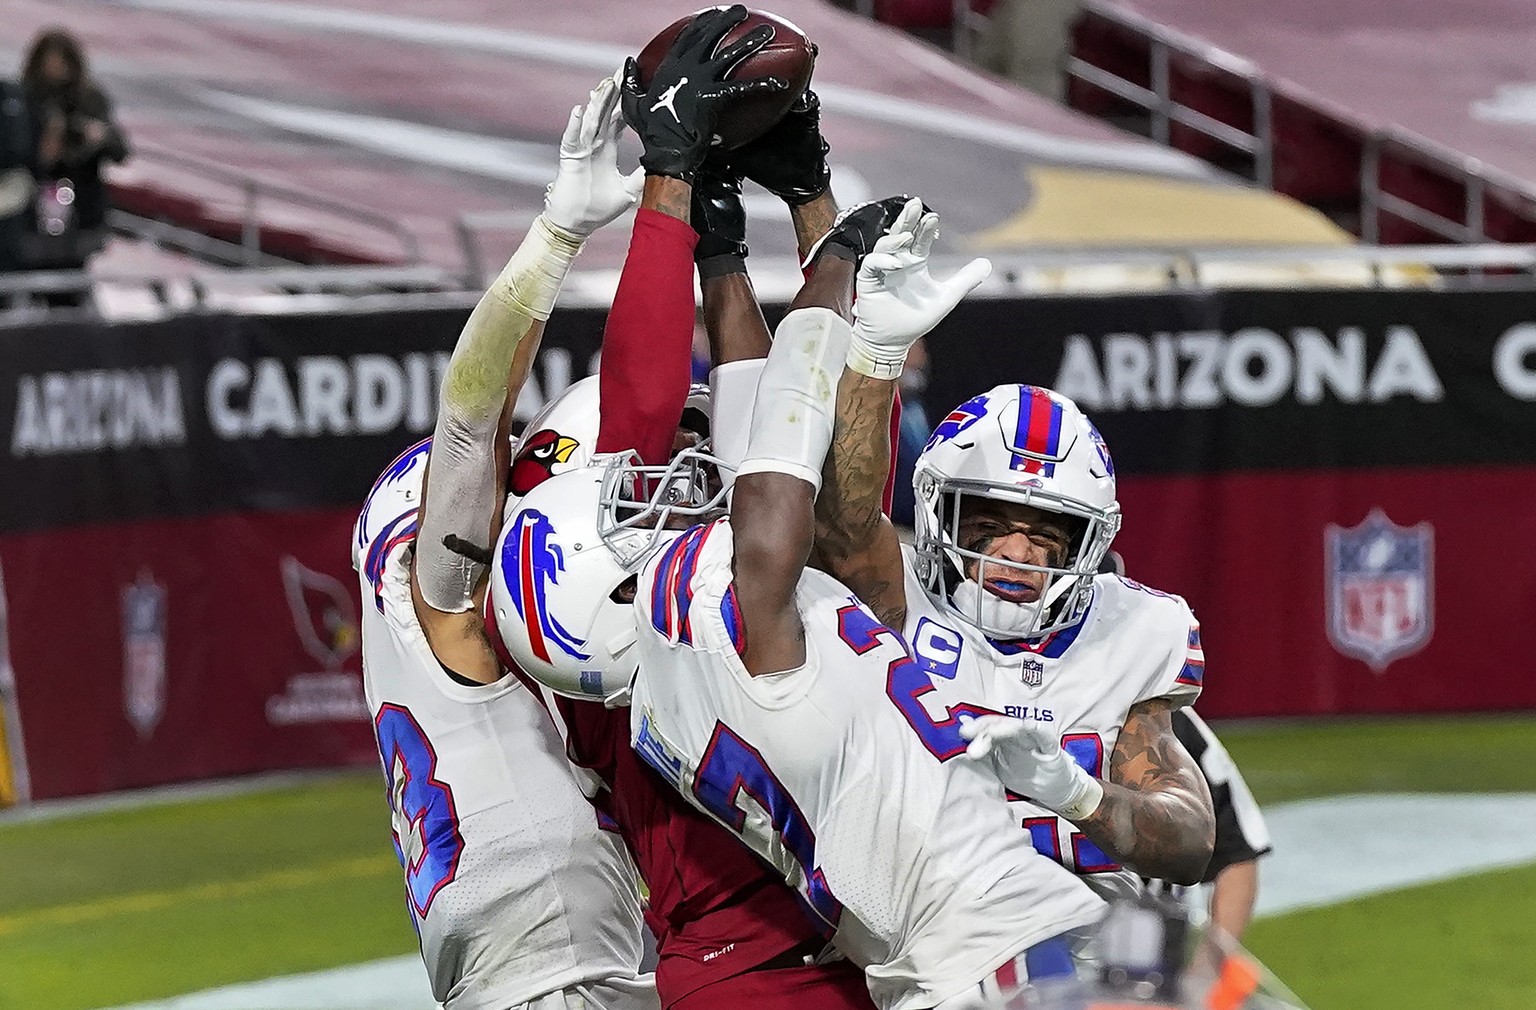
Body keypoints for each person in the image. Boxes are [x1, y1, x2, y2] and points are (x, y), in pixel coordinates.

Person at [492, 197, 1108, 1010]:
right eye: (633, 500)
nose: (677, 480)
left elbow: (763, 450)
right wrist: (829, 281)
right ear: (605, 576)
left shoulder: (673, 675)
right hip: (984, 951)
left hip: (930, 957)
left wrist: (720, 252)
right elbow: (781, 453)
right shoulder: (714, 618)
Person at [352, 75, 659, 1010]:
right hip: (557, 980)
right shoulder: (448, 608)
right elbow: (469, 421)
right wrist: (556, 236)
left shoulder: (445, 656)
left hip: (530, 968)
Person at [811, 331, 1217, 894]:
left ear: (1088, 544)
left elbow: (1191, 843)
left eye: (1048, 533)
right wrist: (877, 352)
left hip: (1080, 952)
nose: (1017, 553)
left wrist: (1074, 791)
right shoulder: (895, 598)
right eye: (990, 527)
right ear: (940, 514)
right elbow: (842, 521)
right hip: (921, 940)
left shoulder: (1131, 631)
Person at [20, 28, 129, 271]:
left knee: (71, 272)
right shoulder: (25, 101)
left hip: (81, 204)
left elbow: (120, 151)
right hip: (33, 204)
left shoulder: (90, 100)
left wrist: (97, 139)